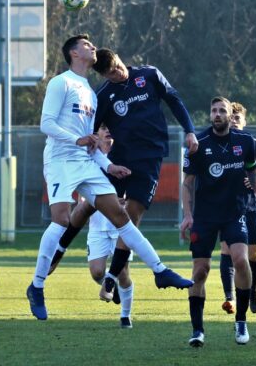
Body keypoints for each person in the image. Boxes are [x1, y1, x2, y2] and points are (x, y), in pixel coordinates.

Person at [27, 35, 193, 321]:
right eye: (86, 45)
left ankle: (160, 271)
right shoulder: (61, 82)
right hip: (60, 162)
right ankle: (37, 285)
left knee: (121, 216)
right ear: (74, 53)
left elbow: (91, 141)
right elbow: (46, 123)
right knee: (62, 219)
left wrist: (107, 165)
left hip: (86, 162)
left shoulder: (91, 93)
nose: (92, 46)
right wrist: (76, 139)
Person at [180, 97, 256, 347]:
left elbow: (254, 170)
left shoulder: (245, 142)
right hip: (204, 216)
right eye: (214, 111)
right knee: (200, 271)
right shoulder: (197, 144)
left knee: (242, 260)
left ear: (229, 114)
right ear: (210, 115)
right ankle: (198, 330)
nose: (218, 114)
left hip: (235, 212)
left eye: (222, 110)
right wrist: (188, 215)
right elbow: (187, 183)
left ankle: (241, 321)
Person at [218, 102, 256, 315]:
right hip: (226, 207)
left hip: (251, 205)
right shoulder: (219, 144)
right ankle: (229, 297)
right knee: (227, 251)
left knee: (253, 253)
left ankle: (253, 289)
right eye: (231, 118)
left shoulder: (253, 144)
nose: (233, 122)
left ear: (244, 122)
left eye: (237, 119)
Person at [85, 125, 134, 328]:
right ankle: (109, 283)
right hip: (97, 224)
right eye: (104, 128)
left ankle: (125, 315)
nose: (108, 131)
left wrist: (127, 201)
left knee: (123, 272)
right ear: (96, 133)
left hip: (119, 224)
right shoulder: (88, 156)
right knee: (97, 272)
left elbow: (136, 184)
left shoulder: (124, 154)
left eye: (109, 127)